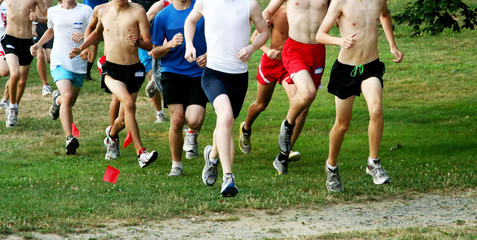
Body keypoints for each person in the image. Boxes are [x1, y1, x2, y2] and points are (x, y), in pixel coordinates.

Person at [316, 0, 403, 192]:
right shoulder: (340, 2)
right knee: (342, 124)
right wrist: (340, 41)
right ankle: (331, 167)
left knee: (376, 109)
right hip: (346, 70)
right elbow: (320, 34)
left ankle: (373, 163)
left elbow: (385, 15)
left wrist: (392, 45)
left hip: (370, 66)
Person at [184, 0, 269, 197]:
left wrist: (251, 48)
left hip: (238, 77)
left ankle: (212, 157)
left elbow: (264, 32)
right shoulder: (206, 2)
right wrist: (189, 45)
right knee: (227, 117)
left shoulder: (250, 5)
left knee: (225, 123)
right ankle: (228, 178)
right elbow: (190, 21)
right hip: (213, 73)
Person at [70, 0, 158, 167]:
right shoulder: (101, 10)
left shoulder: (138, 11)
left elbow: (149, 44)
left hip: (134, 70)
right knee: (129, 103)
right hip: (111, 69)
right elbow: (96, 33)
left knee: (123, 120)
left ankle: (112, 136)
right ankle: (141, 153)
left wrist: (138, 42)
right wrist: (82, 48)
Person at [261, 0, 329, 175]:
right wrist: (261, 25)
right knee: (307, 94)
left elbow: (340, 14)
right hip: (294, 50)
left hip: (317, 51)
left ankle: (282, 157)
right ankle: (288, 125)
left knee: (304, 108)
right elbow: (266, 12)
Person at [239, 4, 303, 162]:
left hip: (291, 65)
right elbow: (254, 37)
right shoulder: (275, 13)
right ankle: (245, 129)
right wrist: (268, 51)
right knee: (261, 104)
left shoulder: (304, 13)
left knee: (299, 104)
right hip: (271, 64)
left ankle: (286, 149)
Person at [150, 0, 208, 177]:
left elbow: (218, 36)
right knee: (177, 120)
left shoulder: (202, 9)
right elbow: (154, 52)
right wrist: (169, 44)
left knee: (195, 120)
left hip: (198, 72)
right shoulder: (163, 16)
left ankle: (192, 134)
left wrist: (207, 55)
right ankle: (177, 165)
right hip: (172, 72)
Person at [30, 0, 93, 155]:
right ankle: (69, 138)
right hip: (59, 60)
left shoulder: (86, 10)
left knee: (69, 101)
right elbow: (51, 31)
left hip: (78, 63)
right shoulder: (53, 11)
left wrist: (85, 35)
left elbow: (96, 32)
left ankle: (56, 100)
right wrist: (38, 44)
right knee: (68, 95)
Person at [2, 0, 47, 127]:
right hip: (10, 40)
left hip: (27, 42)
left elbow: (49, 18)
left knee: (22, 81)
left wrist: (38, 18)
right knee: (15, 74)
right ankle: (11, 108)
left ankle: (15, 107)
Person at [30, 0, 54, 96]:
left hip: (48, 26)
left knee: (50, 59)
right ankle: (45, 84)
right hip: (36, 27)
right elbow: (29, 8)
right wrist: (32, 25)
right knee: (40, 56)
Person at [82, 0, 108, 80]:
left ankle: (87, 72)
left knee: (95, 45)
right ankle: (86, 71)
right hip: (90, 12)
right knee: (94, 44)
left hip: (103, 12)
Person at [0, 0, 10, 109]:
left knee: (16, 72)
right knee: (4, 71)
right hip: (1, 40)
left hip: (14, 39)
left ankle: (5, 99)